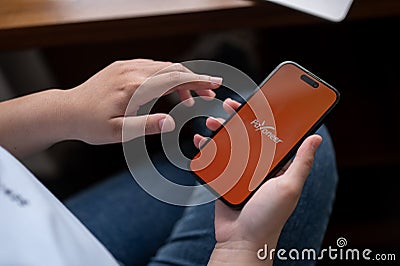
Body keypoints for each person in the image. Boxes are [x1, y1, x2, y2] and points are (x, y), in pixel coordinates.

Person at [0, 59, 338, 265]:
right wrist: (242, 246)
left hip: (40, 222)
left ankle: (221, 70)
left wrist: (65, 108)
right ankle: (230, 56)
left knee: (236, 135)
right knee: (302, 150)